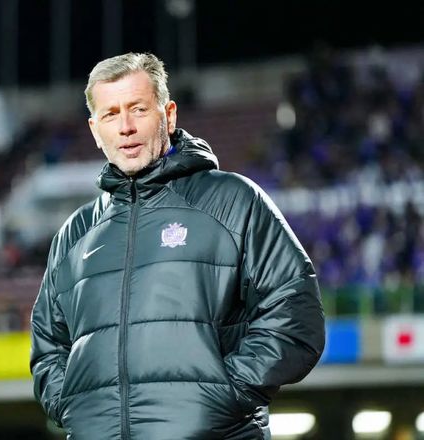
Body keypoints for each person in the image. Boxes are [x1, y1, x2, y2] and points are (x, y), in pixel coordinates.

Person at [30, 52, 325, 440]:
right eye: (110, 114)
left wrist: (222, 396)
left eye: (138, 109)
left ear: (168, 115)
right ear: (95, 130)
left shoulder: (233, 201)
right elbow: (49, 347)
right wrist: (75, 409)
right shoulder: (75, 233)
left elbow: (296, 315)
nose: (126, 127)